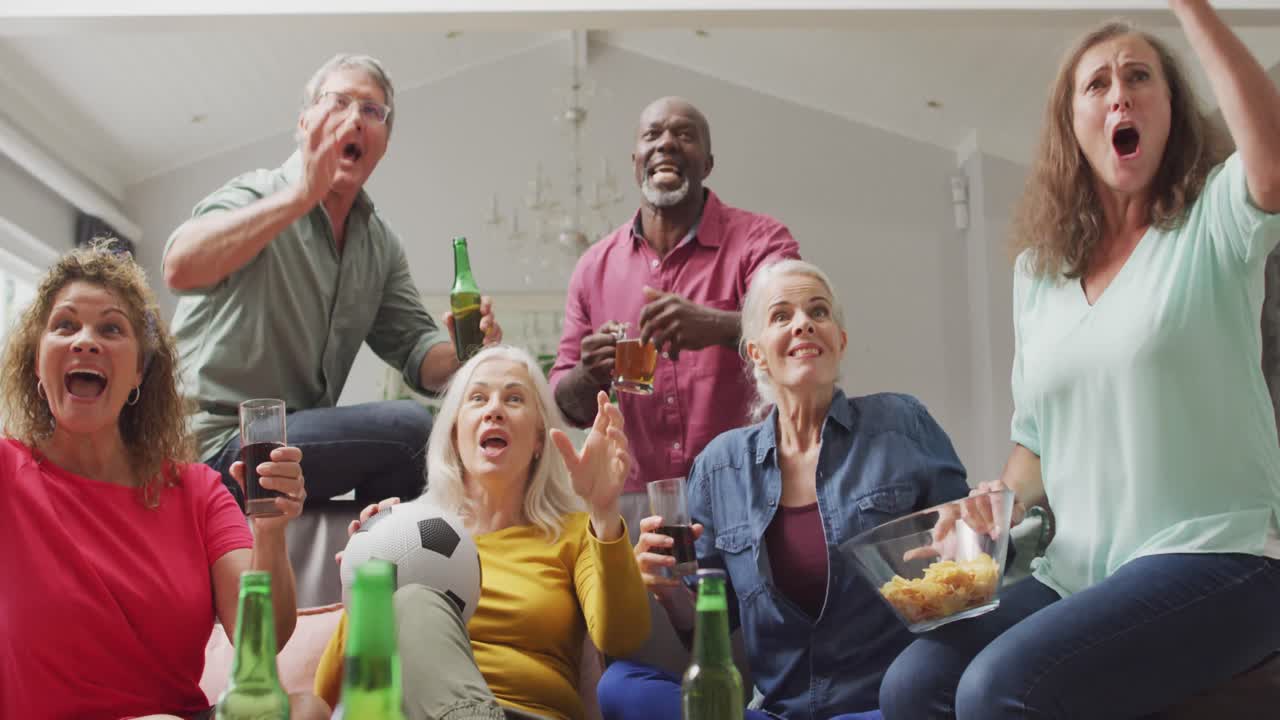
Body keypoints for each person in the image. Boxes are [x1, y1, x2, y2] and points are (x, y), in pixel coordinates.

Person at [880, 4, 1280, 718]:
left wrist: (1190, 7)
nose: (1119, 93)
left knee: (995, 689)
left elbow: (1272, 166)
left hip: (1220, 556)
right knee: (911, 686)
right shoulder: (1039, 274)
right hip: (1079, 573)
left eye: (1140, 77)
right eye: (1096, 84)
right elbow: (1037, 440)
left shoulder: (1213, 223)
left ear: (1172, 110)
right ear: (1072, 127)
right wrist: (993, 505)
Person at [596, 259, 971, 720]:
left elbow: (975, 558)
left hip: (886, 708)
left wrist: (964, 540)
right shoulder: (720, 466)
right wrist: (669, 589)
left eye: (819, 313)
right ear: (756, 352)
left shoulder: (901, 424)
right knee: (620, 686)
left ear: (840, 341)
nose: (803, 325)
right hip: (776, 713)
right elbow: (708, 626)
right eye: (781, 316)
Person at [0, 242, 327, 720]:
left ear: (139, 374)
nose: (85, 341)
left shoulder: (198, 491)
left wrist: (271, 534)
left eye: (111, 328)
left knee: (307, 711)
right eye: (65, 325)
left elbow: (264, 636)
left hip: (177, 717)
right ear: (36, 363)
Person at [163, 53, 500, 508]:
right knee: (409, 429)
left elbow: (418, 353)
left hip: (286, 453)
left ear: (383, 144)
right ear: (305, 123)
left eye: (372, 110)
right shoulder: (257, 195)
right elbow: (180, 267)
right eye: (338, 101)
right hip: (212, 448)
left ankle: (378, 567)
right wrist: (299, 197)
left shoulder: (378, 245)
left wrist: (470, 352)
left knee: (426, 440)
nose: (355, 119)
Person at [314, 345, 651, 720]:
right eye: (478, 398)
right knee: (413, 602)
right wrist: (365, 584)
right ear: (455, 431)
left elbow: (623, 638)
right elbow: (326, 692)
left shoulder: (573, 534)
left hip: (528, 713)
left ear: (540, 438)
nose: (495, 409)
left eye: (514, 398)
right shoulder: (405, 533)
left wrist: (604, 511)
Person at [550, 96, 800, 539]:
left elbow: (797, 329)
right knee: (638, 612)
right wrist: (589, 374)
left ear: (707, 163)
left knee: (747, 610)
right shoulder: (593, 267)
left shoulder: (759, 240)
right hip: (632, 500)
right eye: (653, 135)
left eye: (684, 134)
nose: (666, 143)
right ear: (635, 163)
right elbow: (564, 403)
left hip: (748, 484)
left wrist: (718, 326)